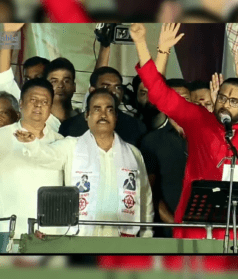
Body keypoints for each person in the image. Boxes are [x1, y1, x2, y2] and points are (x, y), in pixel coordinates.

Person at [131, 23, 238, 240]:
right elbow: (160, 94)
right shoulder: (199, 119)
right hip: (198, 230)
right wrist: (143, 44)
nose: (225, 104)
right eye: (222, 97)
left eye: (234, 101)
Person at [14, 88, 154, 237]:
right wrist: (32, 144)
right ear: (86, 115)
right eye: (96, 109)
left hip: (122, 239)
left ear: (116, 116)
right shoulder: (72, 146)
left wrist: (147, 233)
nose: (103, 115)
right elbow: (47, 156)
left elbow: (145, 197)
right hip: (81, 237)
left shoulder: (132, 153)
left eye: (109, 109)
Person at [0, 78, 64, 242]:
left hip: (48, 236)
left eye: (45, 101)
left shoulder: (60, 142)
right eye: (33, 100)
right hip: (6, 233)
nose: (39, 105)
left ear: (50, 108)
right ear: (20, 104)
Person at [140, 78, 190, 238]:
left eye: (186, 99)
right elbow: (148, 191)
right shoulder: (151, 141)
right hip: (167, 233)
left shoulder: (208, 139)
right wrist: (174, 223)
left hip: (205, 231)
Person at [58, 66, 147, 147]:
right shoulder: (69, 127)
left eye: (118, 87)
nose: (113, 92)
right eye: (105, 87)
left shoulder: (137, 127)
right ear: (92, 90)